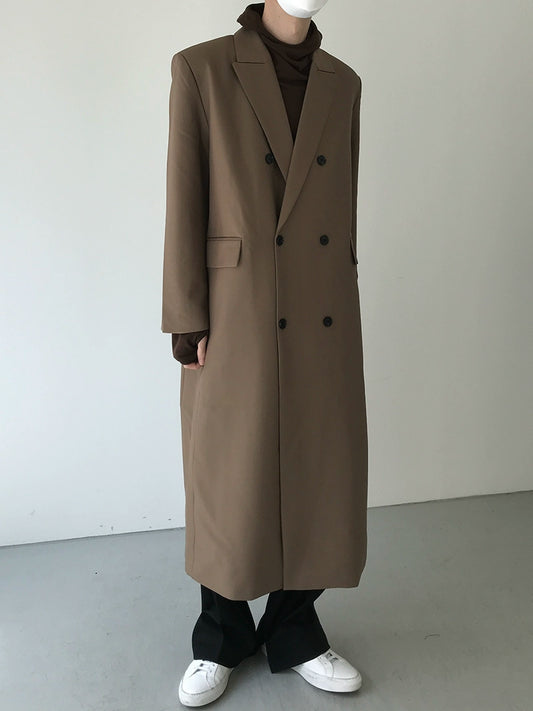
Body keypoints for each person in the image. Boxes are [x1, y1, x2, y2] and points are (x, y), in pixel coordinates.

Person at [161, 1, 367, 706]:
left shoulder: (343, 82)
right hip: (236, 307)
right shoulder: (202, 67)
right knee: (228, 469)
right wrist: (185, 314)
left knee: (318, 469)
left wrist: (341, 274)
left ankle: (296, 631)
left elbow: (341, 202)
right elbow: (184, 194)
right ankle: (220, 636)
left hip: (320, 304)